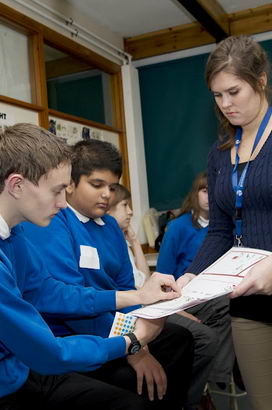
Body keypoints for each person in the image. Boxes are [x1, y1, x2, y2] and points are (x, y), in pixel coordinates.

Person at [0, 123, 190, 410]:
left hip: (21, 369)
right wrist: (132, 341)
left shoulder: (15, 234)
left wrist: (137, 296)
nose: (64, 203)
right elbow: (50, 354)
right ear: (16, 185)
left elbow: (47, 291)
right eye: (57, 191)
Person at [179, 35, 272, 410]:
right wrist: (191, 277)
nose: (226, 104)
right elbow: (219, 230)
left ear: (261, 80)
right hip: (248, 303)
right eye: (217, 96)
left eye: (234, 91)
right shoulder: (220, 153)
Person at [157, 172, 234, 409]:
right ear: (195, 194)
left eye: (214, 192)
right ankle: (216, 380)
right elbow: (163, 273)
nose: (210, 197)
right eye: (204, 191)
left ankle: (218, 378)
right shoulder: (178, 227)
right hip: (183, 295)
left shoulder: (228, 229)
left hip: (216, 294)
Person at [108, 183, 150, 288]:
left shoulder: (121, 240)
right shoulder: (109, 243)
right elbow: (142, 286)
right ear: (108, 209)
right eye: (125, 205)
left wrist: (134, 241)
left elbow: (145, 282)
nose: (130, 211)